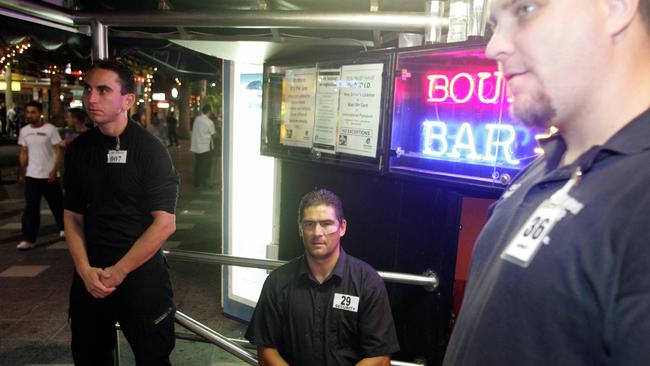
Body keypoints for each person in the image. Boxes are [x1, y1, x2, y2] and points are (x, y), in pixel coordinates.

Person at [443, 1, 650, 365]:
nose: (494, 47)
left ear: (616, 8)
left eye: (526, 9)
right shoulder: (539, 171)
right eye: (494, 23)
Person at [63, 59, 179, 365]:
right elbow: (73, 216)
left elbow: (165, 224)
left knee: (153, 358)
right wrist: (85, 270)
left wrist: (119, 271)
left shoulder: (151, 150)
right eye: (88, 89)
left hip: (140, 279)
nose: (90, 98)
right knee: (89, 357)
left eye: (103, 90)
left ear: (127, 100)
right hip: (90, 278)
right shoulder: (78, 150)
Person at [245, 189, 399, 366]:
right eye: (309, 224)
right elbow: (266, 350)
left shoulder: (368, 282)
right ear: (300, 228)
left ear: (342, 227)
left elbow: (380, 357)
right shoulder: (278, 282)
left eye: (326, 223)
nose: (317, 232)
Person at [16, 100, 65, 250]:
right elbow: (24, 152)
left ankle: (64, 228)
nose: (30, 115)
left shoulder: (51, 130)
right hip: (32, 175)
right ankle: (28, 238)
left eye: (33, 112)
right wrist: (22, 171)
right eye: (28, 112)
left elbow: (59, 150)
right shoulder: (24, 131)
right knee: (31, 208)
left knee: (57, 205)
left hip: (49, 175)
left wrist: (54, 169)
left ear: (40, 113)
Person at [190, 104, 216, 188]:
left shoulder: (197, 119)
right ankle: (205, 182)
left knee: (198, 164)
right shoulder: (209, 122)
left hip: (196, 146)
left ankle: (196, 182)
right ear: (209, 111)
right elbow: (213, 134)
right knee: (206, 165)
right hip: (205, 147)